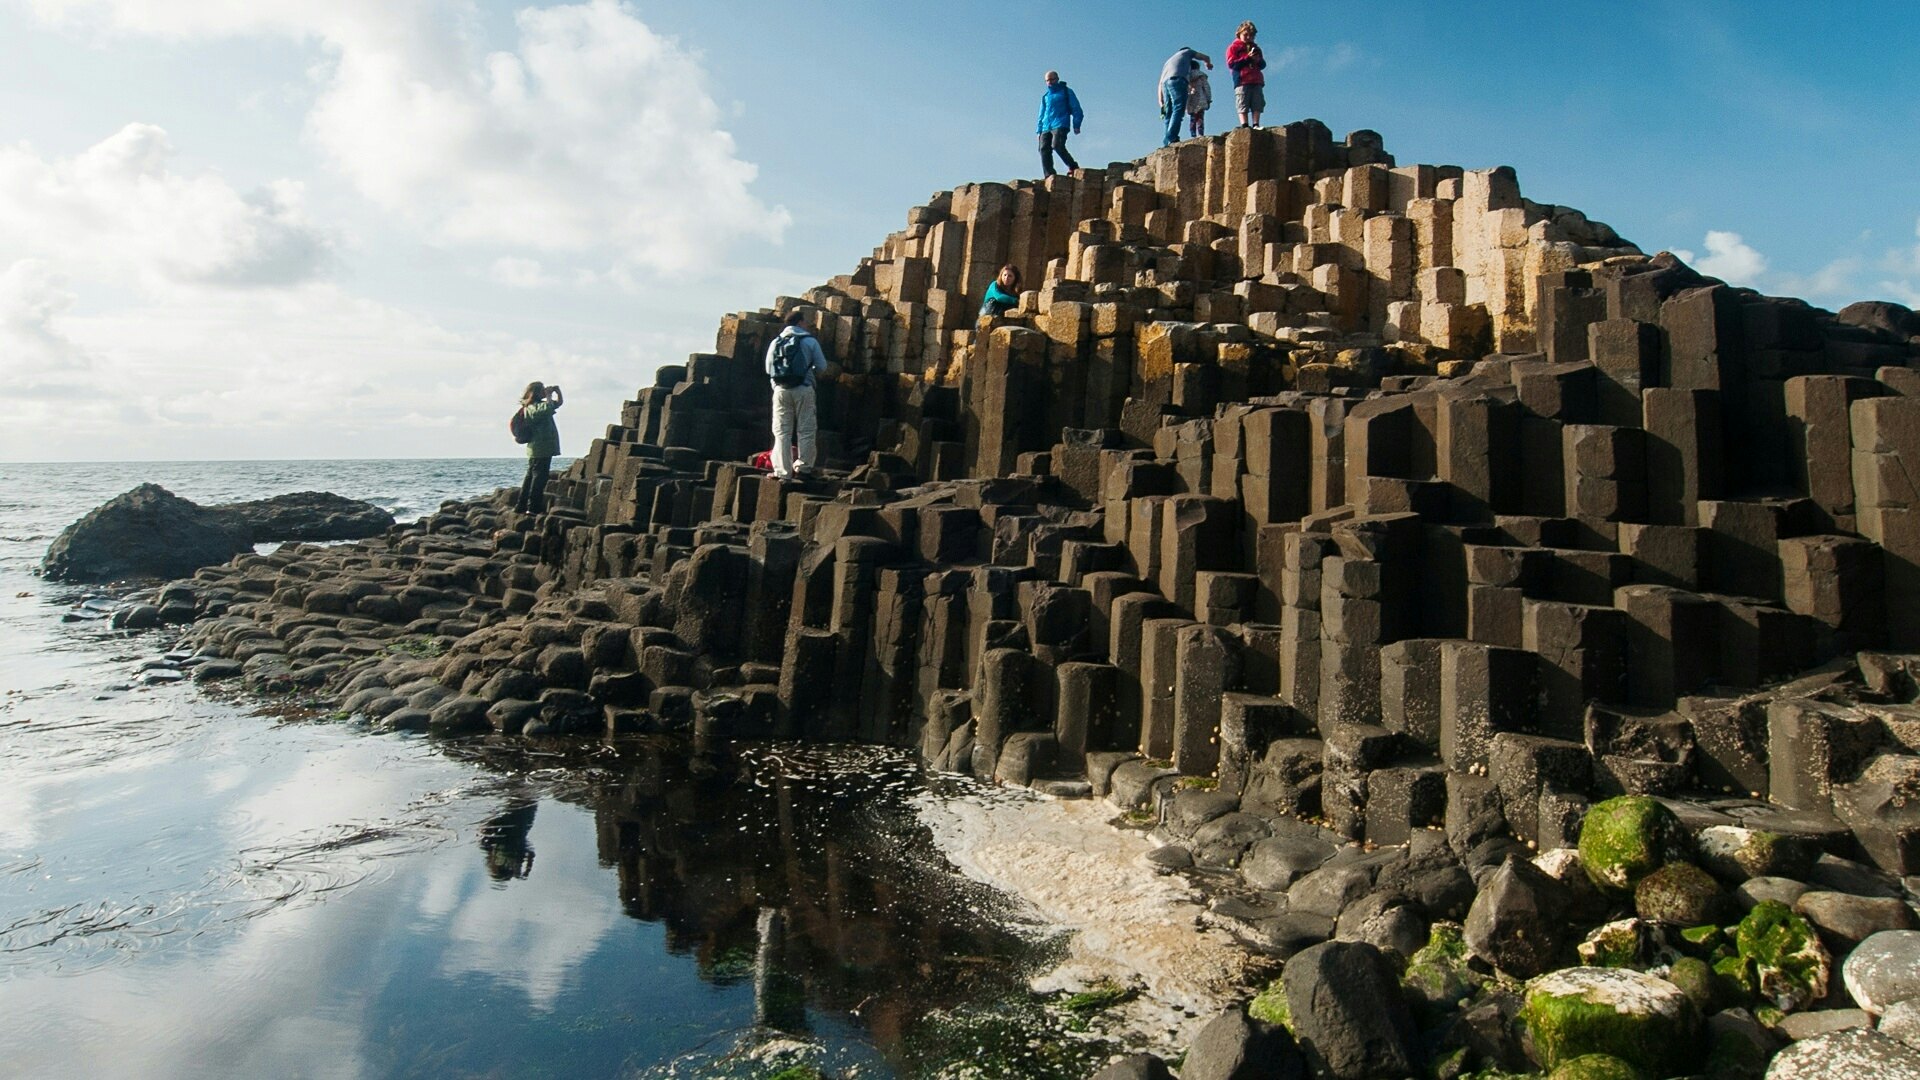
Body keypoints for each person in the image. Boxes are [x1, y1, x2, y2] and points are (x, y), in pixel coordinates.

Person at [764, 308, 830, 479]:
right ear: (800, 322)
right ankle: (803, 468)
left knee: (781, 432)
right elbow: (822, 366)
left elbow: (768, 369)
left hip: (780, 390)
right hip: (803, 388)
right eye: (805, 321)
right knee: (806, 429)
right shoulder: (809, 341)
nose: (807, 325)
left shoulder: (776, 342)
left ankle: (782, 472)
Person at [514, 381, 562, 515]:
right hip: (540, 448)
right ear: (535, 393)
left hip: (541, 448)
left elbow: (556, 404)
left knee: (531, 477)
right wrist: (548, 396)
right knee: (538, 479)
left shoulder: (537, 406)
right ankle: (532, 507)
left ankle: (521, 506)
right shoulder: (532, 407)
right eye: (542, 390)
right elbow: (548, 408)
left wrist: (557, 392)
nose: (544, 391)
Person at [1157, 46, 1212, 147]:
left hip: (1165, 83)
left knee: (1169, 113)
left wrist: (1160, 101)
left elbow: (1160, 83)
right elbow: (1205, 57)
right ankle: (1171, 137)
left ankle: (1167, 140)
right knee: (1178, 108)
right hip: (1178, 80)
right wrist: (1208, 63)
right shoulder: (1187, 52)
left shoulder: (1168, 61)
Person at [1036, 70, 1084, 178]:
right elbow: (1041, 114)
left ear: (1057, 79)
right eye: (1047, 80)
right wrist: (1039, 131)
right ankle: (1049, 174)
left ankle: (1073, 166)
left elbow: (1076, 108)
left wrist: (1077, 124)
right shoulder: (1045, 97)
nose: (1050, 82)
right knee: (1043, 149)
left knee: (1057, 145)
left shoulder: (1066, 92)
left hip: (1060, 123)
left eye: (1052, 79)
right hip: (1046, 126)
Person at [1226, 21, 1267, 129]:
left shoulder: (1256, 49)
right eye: (1246, 35)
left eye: (1252, 35)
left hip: (1256, 79)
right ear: (1239, 34)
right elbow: (1232, 64)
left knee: (1257, 102)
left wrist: (1257, 59)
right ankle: (1244, 124)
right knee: (1242, 102)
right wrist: (1247, 58)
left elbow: (1263, 64)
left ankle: (1256, 123)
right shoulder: (1233, 48)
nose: (1249, 37)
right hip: (1242, 80)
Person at [1186, 66, 1213, 138]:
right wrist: (1208, 99)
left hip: (1191, 100)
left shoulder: (1186, 77)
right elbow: (1207, 88)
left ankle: (1193, 134)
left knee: (1193, 118)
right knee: (1200, 118)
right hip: (1201, 99)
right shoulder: (1201, 77)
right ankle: (1200, 133)